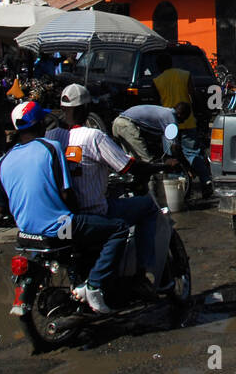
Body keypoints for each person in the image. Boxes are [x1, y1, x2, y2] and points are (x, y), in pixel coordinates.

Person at [0, 99, 128, 314]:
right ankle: (94, 286)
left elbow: (0, 207)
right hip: (60, 227)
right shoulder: (51, 148)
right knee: (119, 228)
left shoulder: (4, 160)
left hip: (25, 233)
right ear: (40, 124)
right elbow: (67, 193)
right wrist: (77, 210)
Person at [60, 84, 166, 291]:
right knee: (147, 207)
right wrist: (156, 166)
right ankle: (144, 274)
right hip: (95, 211)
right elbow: (128, 167)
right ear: (85, 109)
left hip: (64, 213)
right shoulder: (93, 137)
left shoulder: (53, 137)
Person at [152, 53, 213, 198]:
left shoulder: (157, 81)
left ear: (159, 66)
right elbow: (194, 96)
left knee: (172, 156)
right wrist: (201, 113)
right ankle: (206, 181)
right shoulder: (185, 75)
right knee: (192, 153)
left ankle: (181, 189)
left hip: (168, 125)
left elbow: (156, 104)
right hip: (188, 120)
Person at [112, 101, 193, 204]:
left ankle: (136, 193)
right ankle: (152, 201)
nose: (183, 122)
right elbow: (175, 148)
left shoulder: (165, 113)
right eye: (184, 119)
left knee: (133, 164)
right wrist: (186, 165)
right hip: (127, 126)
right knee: (148, 165)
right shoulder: (171, 119)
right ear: (181, 114)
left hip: (118, 123)